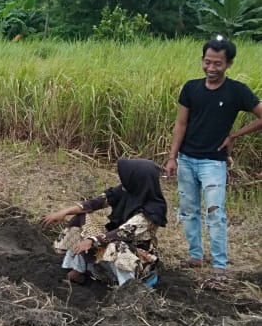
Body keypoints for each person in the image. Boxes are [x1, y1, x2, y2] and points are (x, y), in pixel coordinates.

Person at [164, 37, 262, 282]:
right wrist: (172, 157)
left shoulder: (237, 91)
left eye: (217, 63)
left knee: (215, 213)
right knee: (189, 210)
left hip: (213, 163)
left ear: (228, 64)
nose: (211, 68)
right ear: (202, 61)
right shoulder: (191, 88)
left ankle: (219, 264)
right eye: (207, 62)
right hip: (186, 159)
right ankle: (195, 256)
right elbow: (181, 123)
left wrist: (235, 135)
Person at [42, 158, 168, 287]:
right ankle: (76, 271)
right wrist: (64, 212)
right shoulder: (126, 191)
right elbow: (96, 202)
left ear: (136, 179)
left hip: (138, 257)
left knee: (117, 246)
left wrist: (92, 241)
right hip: (112, 240)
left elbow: (124, 232)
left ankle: (129, 288)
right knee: (82, 218)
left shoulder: (153, 210)